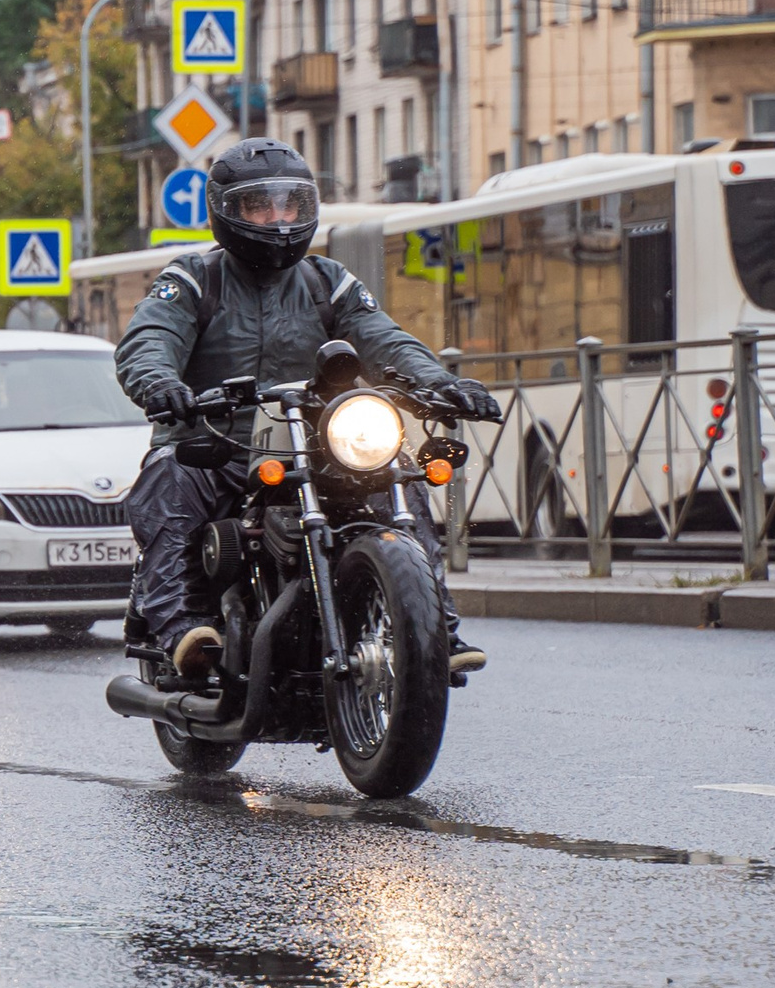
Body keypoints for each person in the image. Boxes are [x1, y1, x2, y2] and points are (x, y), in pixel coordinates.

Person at [112, 137, 503, 679]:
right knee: (169, 478)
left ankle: (433, 624)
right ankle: (184, 627)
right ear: (228, 211)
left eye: (288, 204)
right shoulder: (194, 280)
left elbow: (382, 338)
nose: (276, 218)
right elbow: (150, 337)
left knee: (401, 472)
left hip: (316, 440)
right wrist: (159, 382)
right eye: (258, 205)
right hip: (219, 441)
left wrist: (438, 381)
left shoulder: (327, 282)